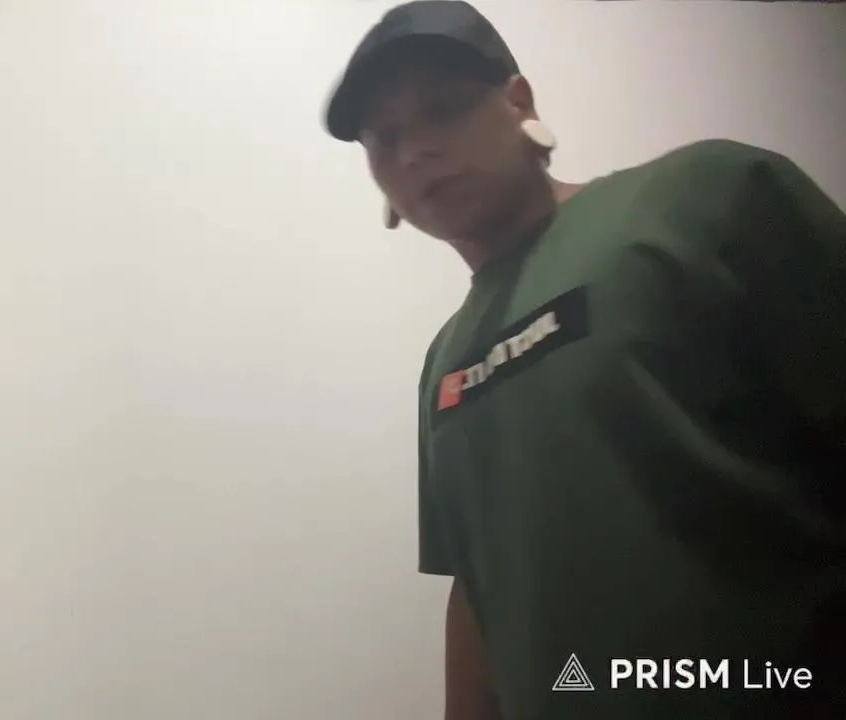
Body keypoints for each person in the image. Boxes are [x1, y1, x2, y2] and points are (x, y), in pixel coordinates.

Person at [323, 2, 846, 719]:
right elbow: (476, 586)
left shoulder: (705, 197)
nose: (414, 152)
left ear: (519, 103)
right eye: (384, 138)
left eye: (442, 109)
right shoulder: (445, 365)